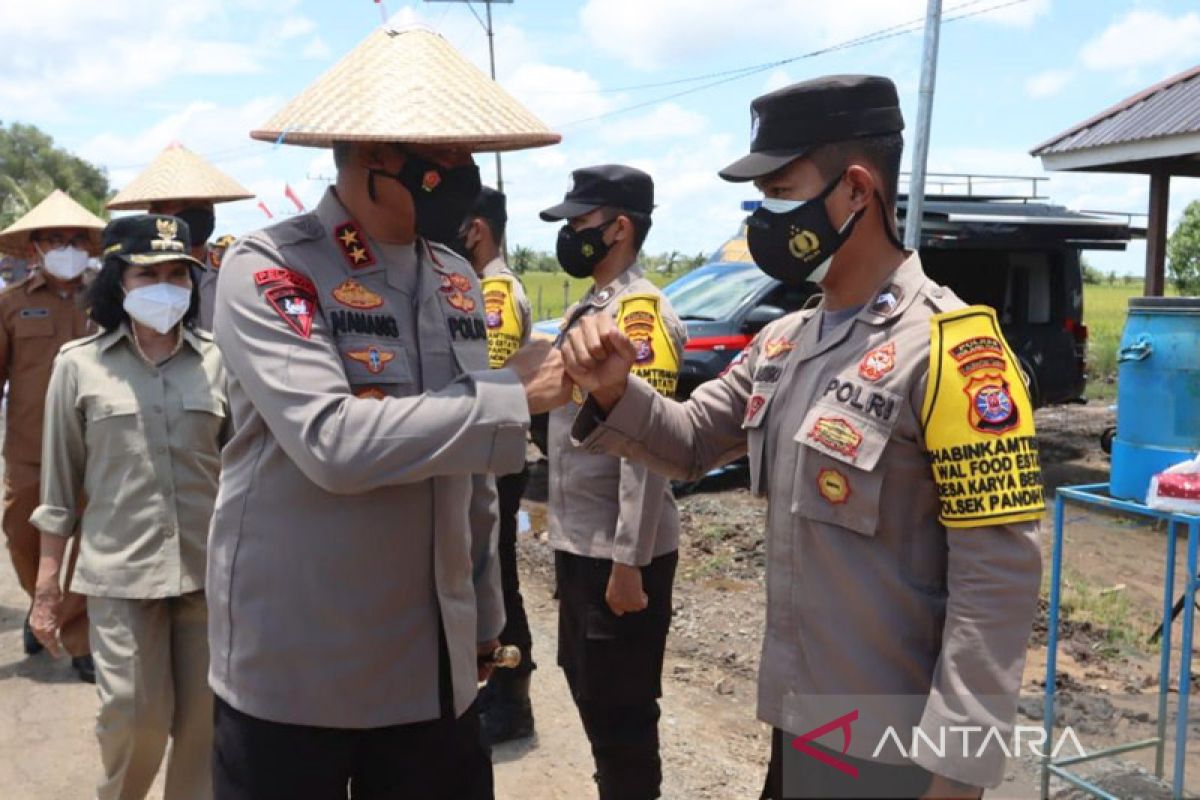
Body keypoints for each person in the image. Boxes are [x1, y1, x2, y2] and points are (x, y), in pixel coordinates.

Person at [560, 76, 1044, 800]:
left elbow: (997, 581)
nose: (764, 215)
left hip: (893, 744)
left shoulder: (950, 349)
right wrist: (611, 391)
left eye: (780, 190)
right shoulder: (785, 342)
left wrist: (960, 774)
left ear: (855, 191)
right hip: (804, 724)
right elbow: (690, 440)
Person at [207, 24, 563, 800]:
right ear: (374, 156)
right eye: (445, 157)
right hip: (298, 663)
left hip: (430, 662)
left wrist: (482, 616)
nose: (465, 174)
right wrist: (513, 396)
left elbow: (468, 472)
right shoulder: (271, 266)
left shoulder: (455, 278)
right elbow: (334, 444)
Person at [29, 214, 228, 800]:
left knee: (205, 725)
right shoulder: (79, 365)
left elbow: (243, 471)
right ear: (119, 281)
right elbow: (58, 489)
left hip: (208, 571)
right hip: (120, 576)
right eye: (150, 275)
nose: (167, 286)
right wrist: (47, 587)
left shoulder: (219, 360)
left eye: (177, 274)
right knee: (134, 718)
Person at [541, 165, 686, 800]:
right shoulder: (590, 307)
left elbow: (646, 450)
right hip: (583, 543)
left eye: (579, 225)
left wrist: (628, 562)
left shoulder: (640, 315)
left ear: (619, 228)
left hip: (618, 552)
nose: (570, 236)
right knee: (592, 697)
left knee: (622, 716)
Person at [0, 189, 103, 683]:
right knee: (21, 534)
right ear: (35, 248)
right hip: (29, 450)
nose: (67, 247)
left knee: (89, 543)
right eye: (55, 239)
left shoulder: (110, 301)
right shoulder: (11, 304)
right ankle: (38, 603)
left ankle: (77, 633)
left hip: (95, 446)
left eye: (75, 239)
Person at [454, 186, 538, 745]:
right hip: (487, 452)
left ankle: (512, 696)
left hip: (501, 455)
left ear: (477, 230)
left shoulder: (496, 293)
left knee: (497, 573)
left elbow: (491, 378)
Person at [107, 142, 254, 330]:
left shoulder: (233, 265)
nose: (199, 211)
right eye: (185, 204)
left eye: (205, 204)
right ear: (156, 213)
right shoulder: (133, 272)